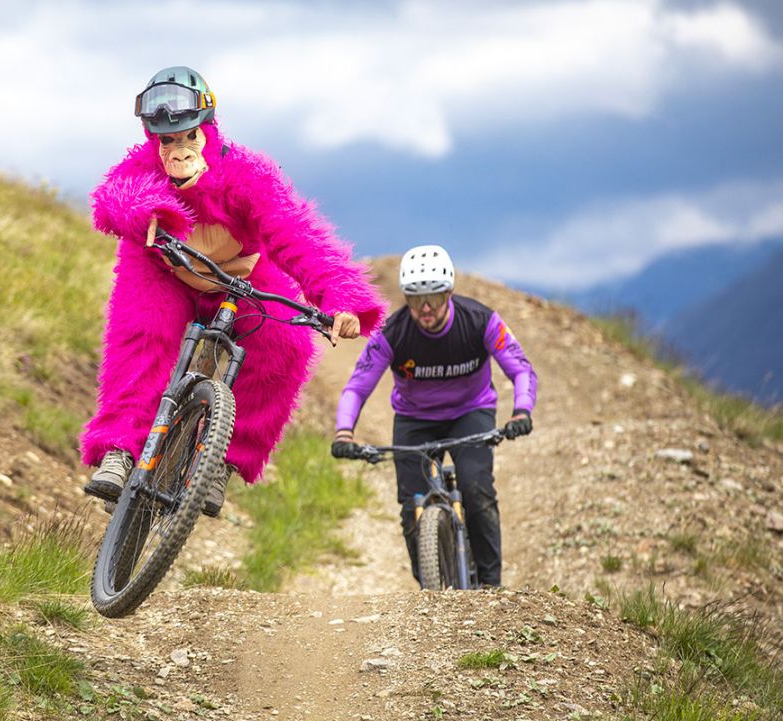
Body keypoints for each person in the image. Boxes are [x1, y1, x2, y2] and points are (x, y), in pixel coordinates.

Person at [81, 66, 386, 517]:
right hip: (162, 272)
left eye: (187, 137)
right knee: (141, 338)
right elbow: (113, 199)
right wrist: (149, 210)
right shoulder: (143, 167)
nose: (177, 151)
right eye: (166, 141)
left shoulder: (248, 174)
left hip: (239, 275)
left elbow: (295, 236)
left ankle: (222, 462)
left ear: (206, 129)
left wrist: (339, 298)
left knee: (286, 344)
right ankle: (119, 452)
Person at [330, 245, 536, 586]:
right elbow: (357, 386)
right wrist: (344, 432)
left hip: (471, 413)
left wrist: (521, 411)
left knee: (476, 488)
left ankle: (490, 585)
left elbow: (521, 369)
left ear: (449, 293)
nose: (425, 308)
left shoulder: (481, 321)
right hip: (414, 420)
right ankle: (430, 587)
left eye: (434, 298)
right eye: (415, 299)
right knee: (411, 507)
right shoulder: (391, 333)